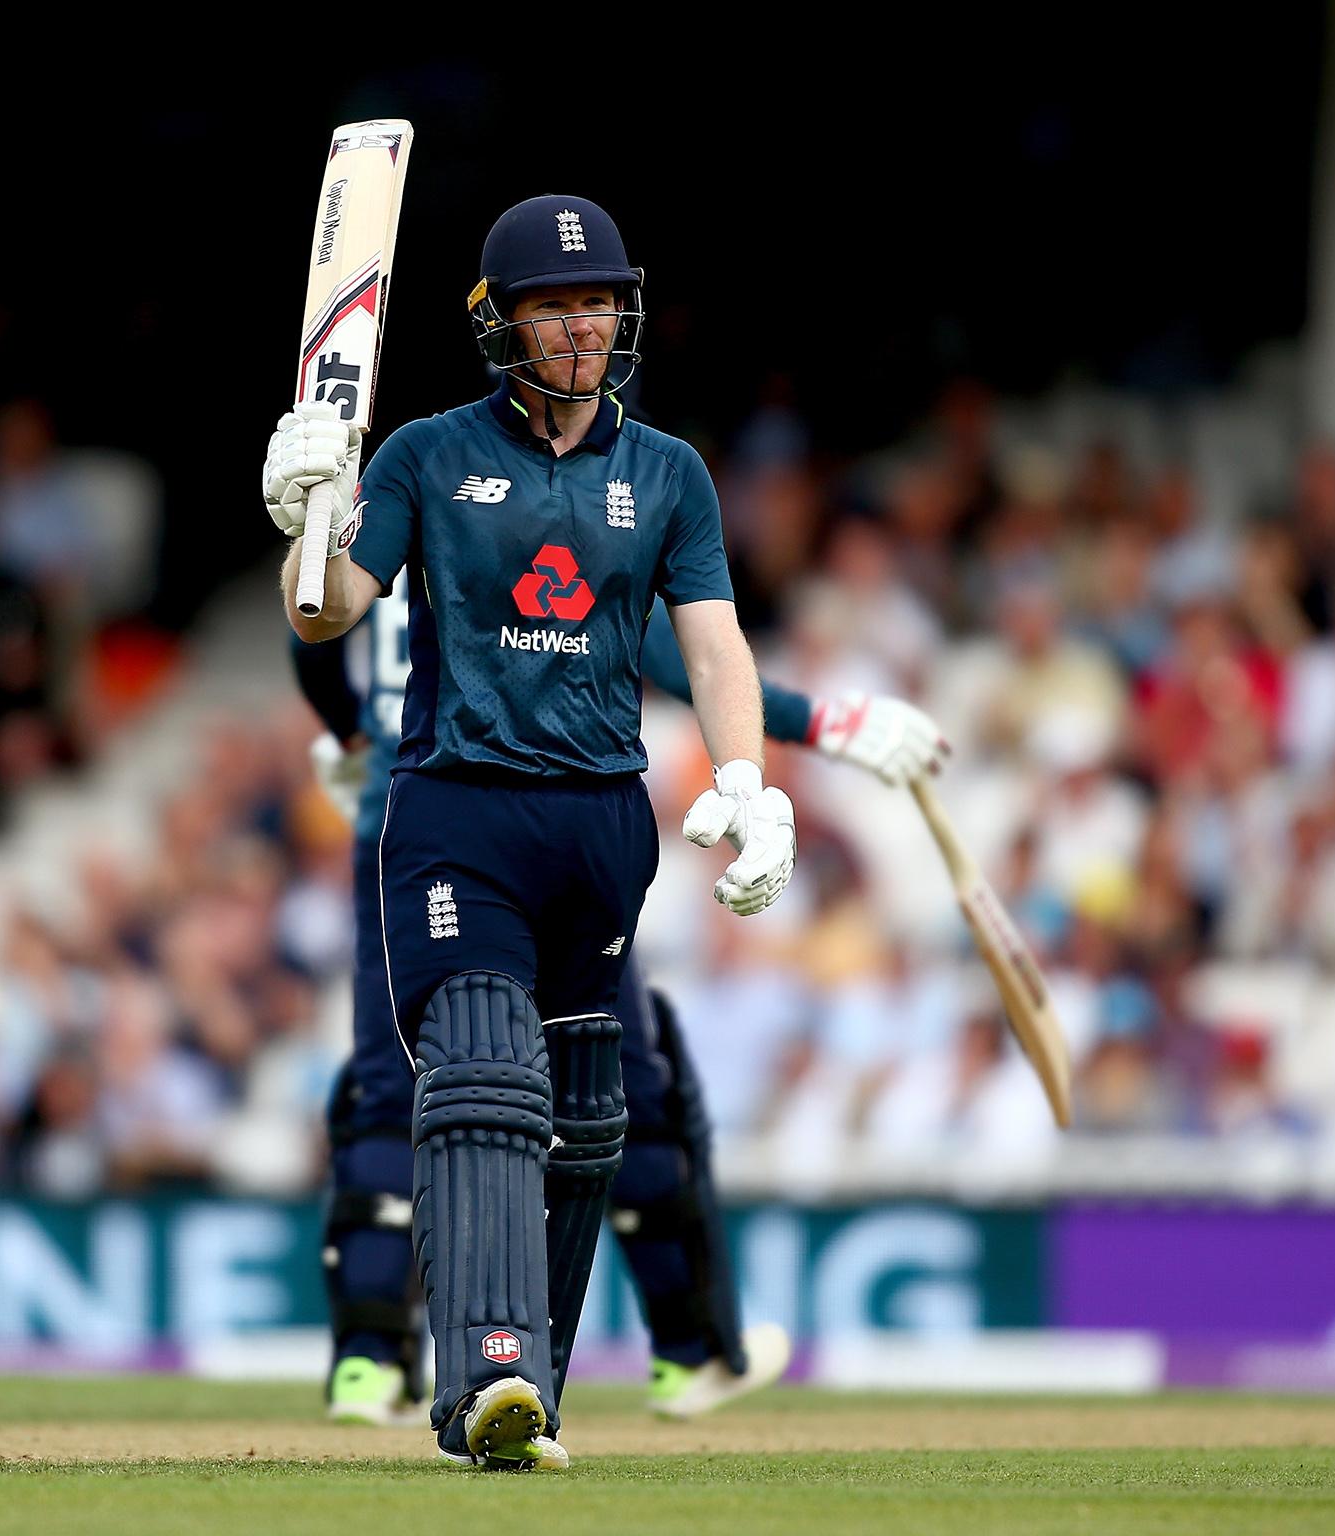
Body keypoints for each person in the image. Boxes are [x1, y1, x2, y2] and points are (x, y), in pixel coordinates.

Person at [269, 196, 937, 1469]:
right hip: (461, 809)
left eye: (598, 303)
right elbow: (324, 616)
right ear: (500, 322)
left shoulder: (668, 473)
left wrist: (749, 778)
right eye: (553, 305)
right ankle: (480, 1378)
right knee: (478, 1071)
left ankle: (531, 1396)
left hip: (605, 824)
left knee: (586, 1113)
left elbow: (713, 644)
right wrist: (302, 516)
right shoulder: (420, 454)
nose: (582, 326)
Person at [293, 598, 946, 1427]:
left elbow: (309, 636)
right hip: (540, 823)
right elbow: (688, 664)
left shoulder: (391, 504)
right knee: (613, 1075)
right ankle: (688, 1347)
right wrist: (821, 721)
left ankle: (368, 1363)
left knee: (397, 1085)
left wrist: (351, 733)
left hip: (404, 824)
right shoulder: (540, 503)